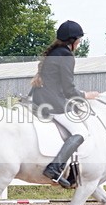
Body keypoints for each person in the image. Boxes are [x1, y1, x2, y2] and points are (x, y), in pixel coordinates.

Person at [29, 21, 99, 188]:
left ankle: (72, 170)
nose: (80, 43)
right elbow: (68, 88)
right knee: (81, 131)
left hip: (39, 99)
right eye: (79, 40)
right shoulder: (66, 55)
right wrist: (85, 95)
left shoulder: (54, 52)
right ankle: (55, 167)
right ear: (72, 40)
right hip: (52, 102)